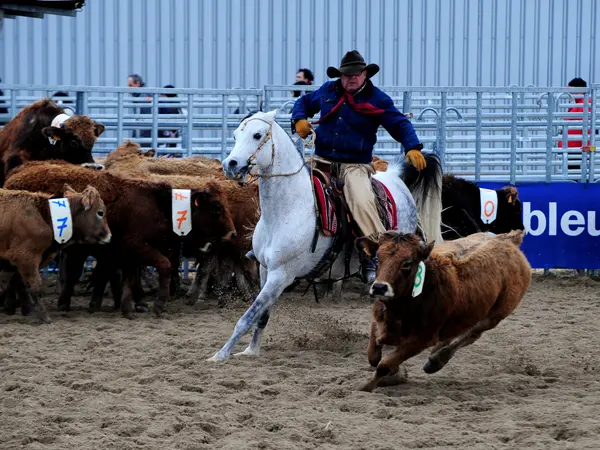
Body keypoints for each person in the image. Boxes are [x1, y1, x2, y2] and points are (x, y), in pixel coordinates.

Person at [290, 50, 426, 282]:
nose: (351, 78)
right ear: (340, 76)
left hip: (354, 165)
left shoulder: (378, 99)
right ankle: (273, 242)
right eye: (346, 74)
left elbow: (399, 122)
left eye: (356, 74)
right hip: (321, 159)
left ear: (365, 75)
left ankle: (374, 255)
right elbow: (304, 101)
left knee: (361, 202)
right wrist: (299, 119)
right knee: (289, 186)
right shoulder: (328, 90)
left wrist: (412, 146)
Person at [558, 77, 592, 173]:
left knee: (574, 174)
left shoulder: (584, 105)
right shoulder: (578, 104)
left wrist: (587, 145)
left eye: (571, 90)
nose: (569, 94)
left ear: (579, 91)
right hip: (571, 147)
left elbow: (586, 127)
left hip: (576, 148)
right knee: (571, 173)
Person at [127, 73, 152, 147]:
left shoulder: (143, 97)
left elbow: (144, 120)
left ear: (137, 83)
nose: (128, 88)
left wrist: (137, 139)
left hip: (145, 133)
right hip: (143, 132)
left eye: (130, 85)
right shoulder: (141, 95)